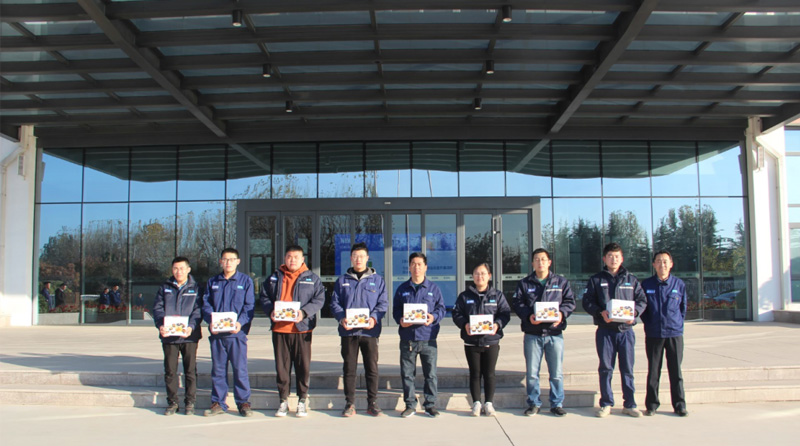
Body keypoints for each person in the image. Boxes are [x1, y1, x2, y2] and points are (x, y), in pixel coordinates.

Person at [582, 242, 647, 418]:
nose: (613, 259)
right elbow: (587, 301)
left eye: (617, 256)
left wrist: (635, 313)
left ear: (622, 258)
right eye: (610, 256)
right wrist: (599, 312)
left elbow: (642, 300)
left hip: (626, 331)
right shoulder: (596, 280)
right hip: (605, 331)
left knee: (627, 369)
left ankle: (630, 404)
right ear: (604, 258)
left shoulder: (631, 280)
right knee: (605, 368)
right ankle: (606, 403)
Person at [260, 245, 325, 418]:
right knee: (282, 368)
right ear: (285, 258)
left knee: (303, 367)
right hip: (280, 329)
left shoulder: (312, 278)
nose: (292, 260)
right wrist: (270, 311)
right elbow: (264, 296)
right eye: (289, 257)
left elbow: (319, 299)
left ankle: (302, 400)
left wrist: (304, 313)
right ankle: (283, 401)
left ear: (303, 259)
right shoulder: (274, 277)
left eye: (296, 257)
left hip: (302, 329)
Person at [511, 248, 576, 417]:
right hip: (533, 334)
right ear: (532, 263)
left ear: (549, 262)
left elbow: (570, 302)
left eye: (543, 259)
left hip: (554, 334)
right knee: (532, 373)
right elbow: (517, 303)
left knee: (556, 373)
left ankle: (557, 404)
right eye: (537, 259)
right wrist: (528, 316)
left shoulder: (560, 282)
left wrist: (562, 314)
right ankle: (534, 403)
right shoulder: (525, 283)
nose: (540, 262)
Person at [330, 242, 389, 417]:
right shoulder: (342, 281)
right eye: (355, 256)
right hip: (348, 332)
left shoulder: (377, 280)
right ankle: (350, 404)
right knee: (349, 369)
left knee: (372, 368)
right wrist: (342, 318)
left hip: (369, 332)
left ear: (367, 258)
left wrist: (374, 318)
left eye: (362, 256)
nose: (358, 259)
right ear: (351, 258)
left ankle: (373, 403)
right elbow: (334, 303)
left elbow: (383, 303)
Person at [452, 263, 511, 417]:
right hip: (471, 342)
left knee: (489, 374)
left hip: (491, 341)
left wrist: (497, 325)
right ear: (472, 276)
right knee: (475, 373)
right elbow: (457, 313)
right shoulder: (464, 296)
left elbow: (505, 313)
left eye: (483, 273)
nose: (480, 276)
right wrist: (464, 324)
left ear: (489, 276)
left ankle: (489, 403)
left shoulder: (497, 295)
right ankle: (476, 403)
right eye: (477, 273)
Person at [202, 248, 255, 417]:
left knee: (240, 370)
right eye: (225, 259)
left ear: (238, 261)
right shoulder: (213, 282)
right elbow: (206, 304)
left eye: (232, 259)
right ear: (220, 262)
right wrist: (210, 320)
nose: (228, 262)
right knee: (218, 370)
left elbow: (249, 306)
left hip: (236, 334)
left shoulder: (245, 281)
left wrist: (240, 323)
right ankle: (218, 402)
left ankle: (243, 403)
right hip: (218, 335)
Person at [392, 252, 446, 418]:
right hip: (408, 338)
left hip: (428, 338)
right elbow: (396, 310)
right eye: (413, 264)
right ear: (409, 267)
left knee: (431, 374)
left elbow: (441, 309)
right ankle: (410, 405)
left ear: (425, 267)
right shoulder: (402, 289)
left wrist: (433, 317)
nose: (416, 267)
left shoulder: (433, 289)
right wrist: (401, 320)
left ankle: (430, 405)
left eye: (420, 264)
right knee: (407, 374)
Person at [152, 256, 203, 416]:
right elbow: (158, 308)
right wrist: (161, 325)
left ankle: (190, 402)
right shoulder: (165, 287)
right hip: (169, 336)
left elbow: (198, 310)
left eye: (182, 268)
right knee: (170, 370)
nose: (178, 271)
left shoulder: (196, 288)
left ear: (188, 269)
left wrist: (191, 326)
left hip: (189, 336)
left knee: (190, 370)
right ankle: (172, 402)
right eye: (175, 268)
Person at [640, 250, 688, 417]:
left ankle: (679, 405)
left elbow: (683, 309)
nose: (662, 264)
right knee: (653, 371)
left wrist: (676, 324)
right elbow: (643, 309)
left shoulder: (679, 284)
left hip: (674, 334)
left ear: (671, 264)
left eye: (665, 261)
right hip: (654, 333)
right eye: (659, 261)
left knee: (676, 371)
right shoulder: (647, 285)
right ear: (654, 264)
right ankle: (652, 404)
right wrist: (650, 323)